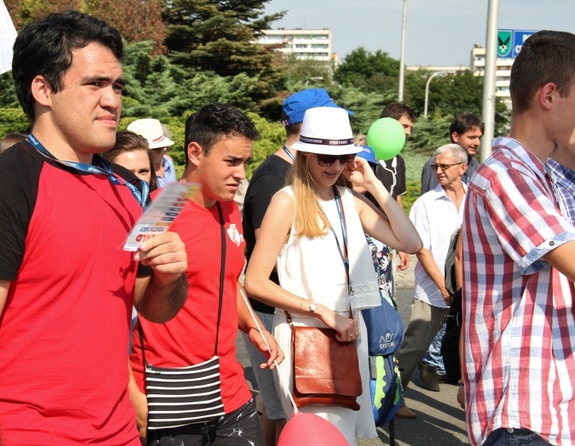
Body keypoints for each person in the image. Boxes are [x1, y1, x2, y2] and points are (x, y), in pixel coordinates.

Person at [0, 11, 188, 445]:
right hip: (25, 433)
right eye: (95, 84)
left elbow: (153, 309)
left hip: (117, 433)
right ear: (43, 89)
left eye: (117, 86)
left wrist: (171, 276)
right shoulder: (0, 187)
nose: (113, 100)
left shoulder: (129, 187)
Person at [244, 106, 422, 446]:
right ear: (306, 155)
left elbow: (411, 242)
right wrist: (320, 310)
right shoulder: (287, 201)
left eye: (342, 157)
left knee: (340, 438)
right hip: (305, 336)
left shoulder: (347, 200)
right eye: (325, 158)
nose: (335, 166)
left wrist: (373, 183)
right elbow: (254, 282)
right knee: (314, 437)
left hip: (348, 336)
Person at [130, 102, 282, 446]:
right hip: (168, 395)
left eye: (245, 162)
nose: (242, 173)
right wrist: (129, 390)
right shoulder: (157, 211)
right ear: (195, 153)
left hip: (231, 390)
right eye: (231, 161)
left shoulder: (230, 209)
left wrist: (253, 327)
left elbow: (229, 281)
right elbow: (116, 309)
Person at [461, 30, 575, 446]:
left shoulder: (541, 175)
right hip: (522, 412)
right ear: (549, 96)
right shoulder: (507, 175)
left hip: (546, 406)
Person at [242, 88, 352, 446]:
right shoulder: (275, 181)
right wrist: (316, 306)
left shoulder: (310, 179)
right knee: (283, 416)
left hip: (304, 320)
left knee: (282, 414)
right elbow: (271, 265)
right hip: (279, 321)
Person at [393, 144, 467, 417]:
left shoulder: (476, 198)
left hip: (470, 289)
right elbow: (420, 249)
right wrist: (444, 287)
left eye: (444, 166)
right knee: (414, 346)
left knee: (472, 348)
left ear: (462, 168)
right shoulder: (426, 203)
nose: (438, 171)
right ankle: (391, 397)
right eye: (436, 166)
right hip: (433, 289)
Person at [375, 102, 415, 275]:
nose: (408, 132)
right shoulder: (364, 156)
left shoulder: (399, 161)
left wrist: (402, 244)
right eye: (405, 126)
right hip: (364, 238)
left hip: (388, 241)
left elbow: (397, 200)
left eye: (410, 127)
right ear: (389, 123)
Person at [421, 113, 484, 193]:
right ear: (455, 137)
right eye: (472, 137)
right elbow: (431, 200)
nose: (477, 143)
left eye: (479, 138)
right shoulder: (437, 164)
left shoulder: (473, 164)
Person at [128, 118, 177, 187]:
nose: (157, 153)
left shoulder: (168, 162)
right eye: (151, 150)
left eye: (161, 148)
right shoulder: (138, 176)